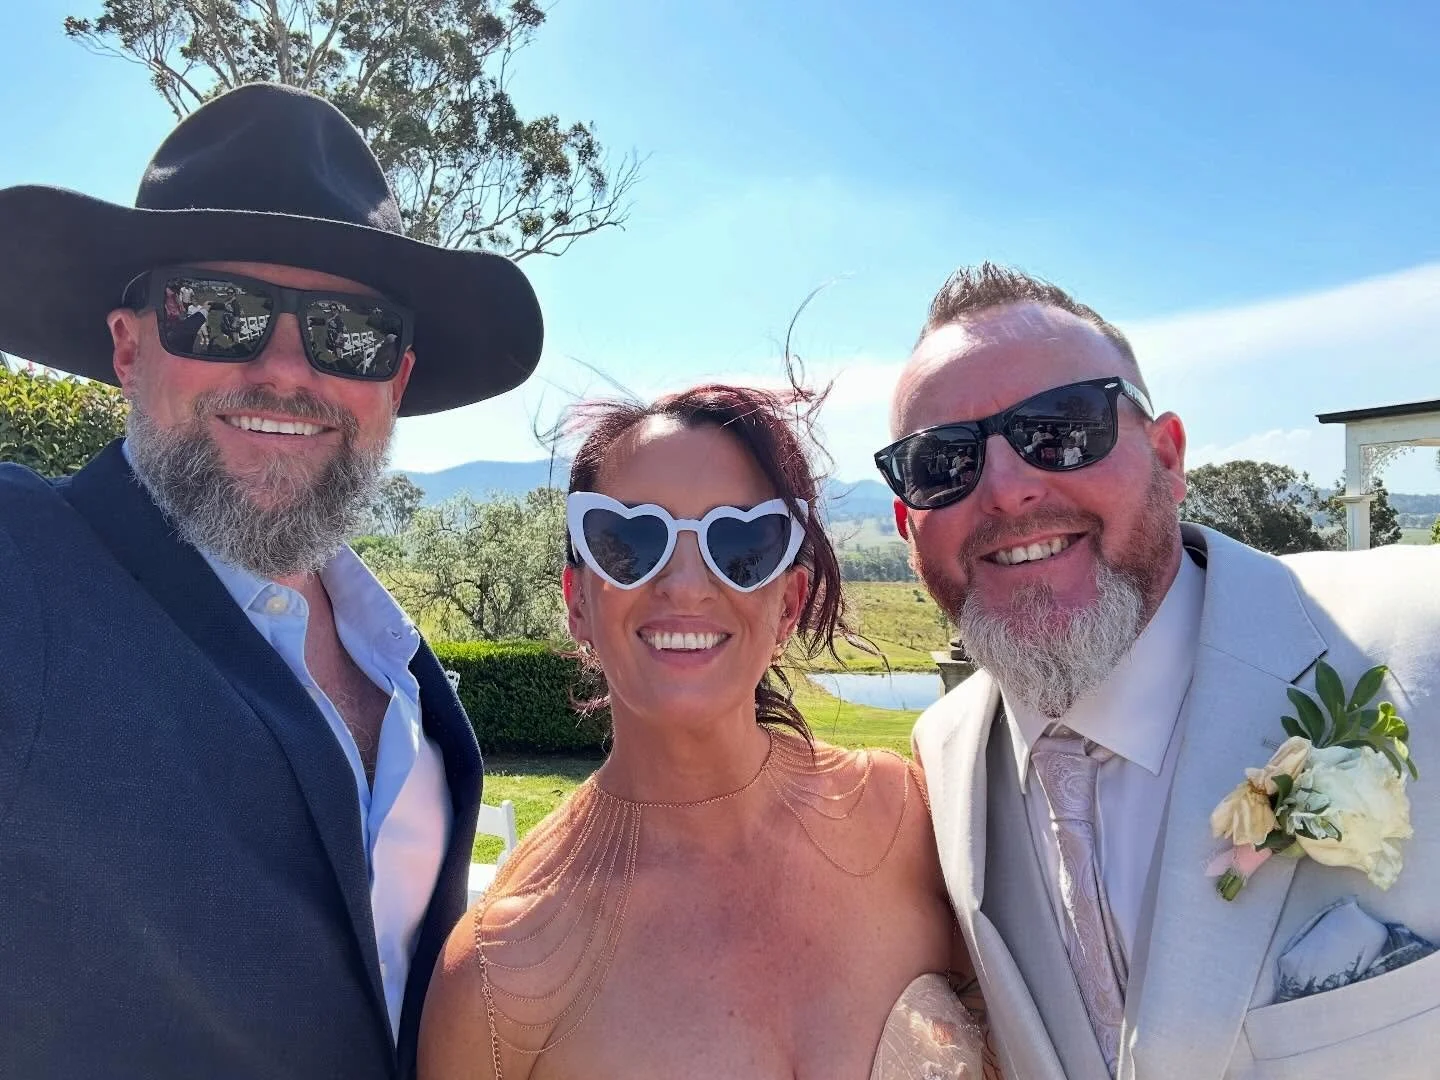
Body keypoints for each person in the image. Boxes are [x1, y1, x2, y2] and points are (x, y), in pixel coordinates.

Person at [0, 83, 543, 1080]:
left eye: (350, 332)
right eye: (218, 313)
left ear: (395, 382)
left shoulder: (398, 667)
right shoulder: (28, 570)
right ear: (129, 346)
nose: (288, 370)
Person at [877, 263, 1440, 1079]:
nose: (1005, 491)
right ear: (907, 524)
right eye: (941, 463)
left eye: (1061, 428)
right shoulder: (941, 761)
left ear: (1167, 456)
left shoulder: (1421, 635)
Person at [419, 383, 999, 1079]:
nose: (687, 585)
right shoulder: (502, 970)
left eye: (742, 543)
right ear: (578, 603)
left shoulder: (909, 818)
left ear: (789, 605)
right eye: (631, 540)